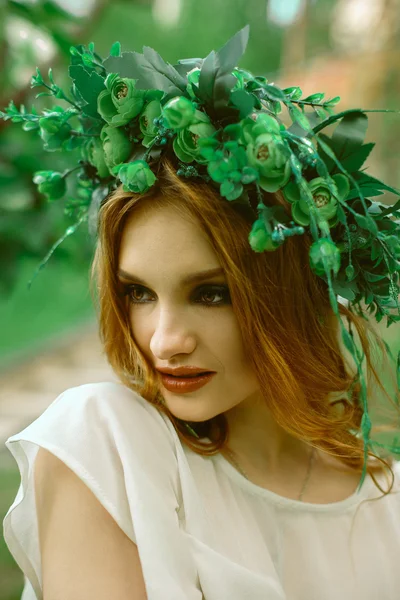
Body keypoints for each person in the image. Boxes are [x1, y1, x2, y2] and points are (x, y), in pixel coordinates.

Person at [2, 26, 400, 600]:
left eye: (212, 294)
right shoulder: (108, 453)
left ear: (290, 290)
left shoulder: (386, 509)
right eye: (139, 294)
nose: (165, 341)